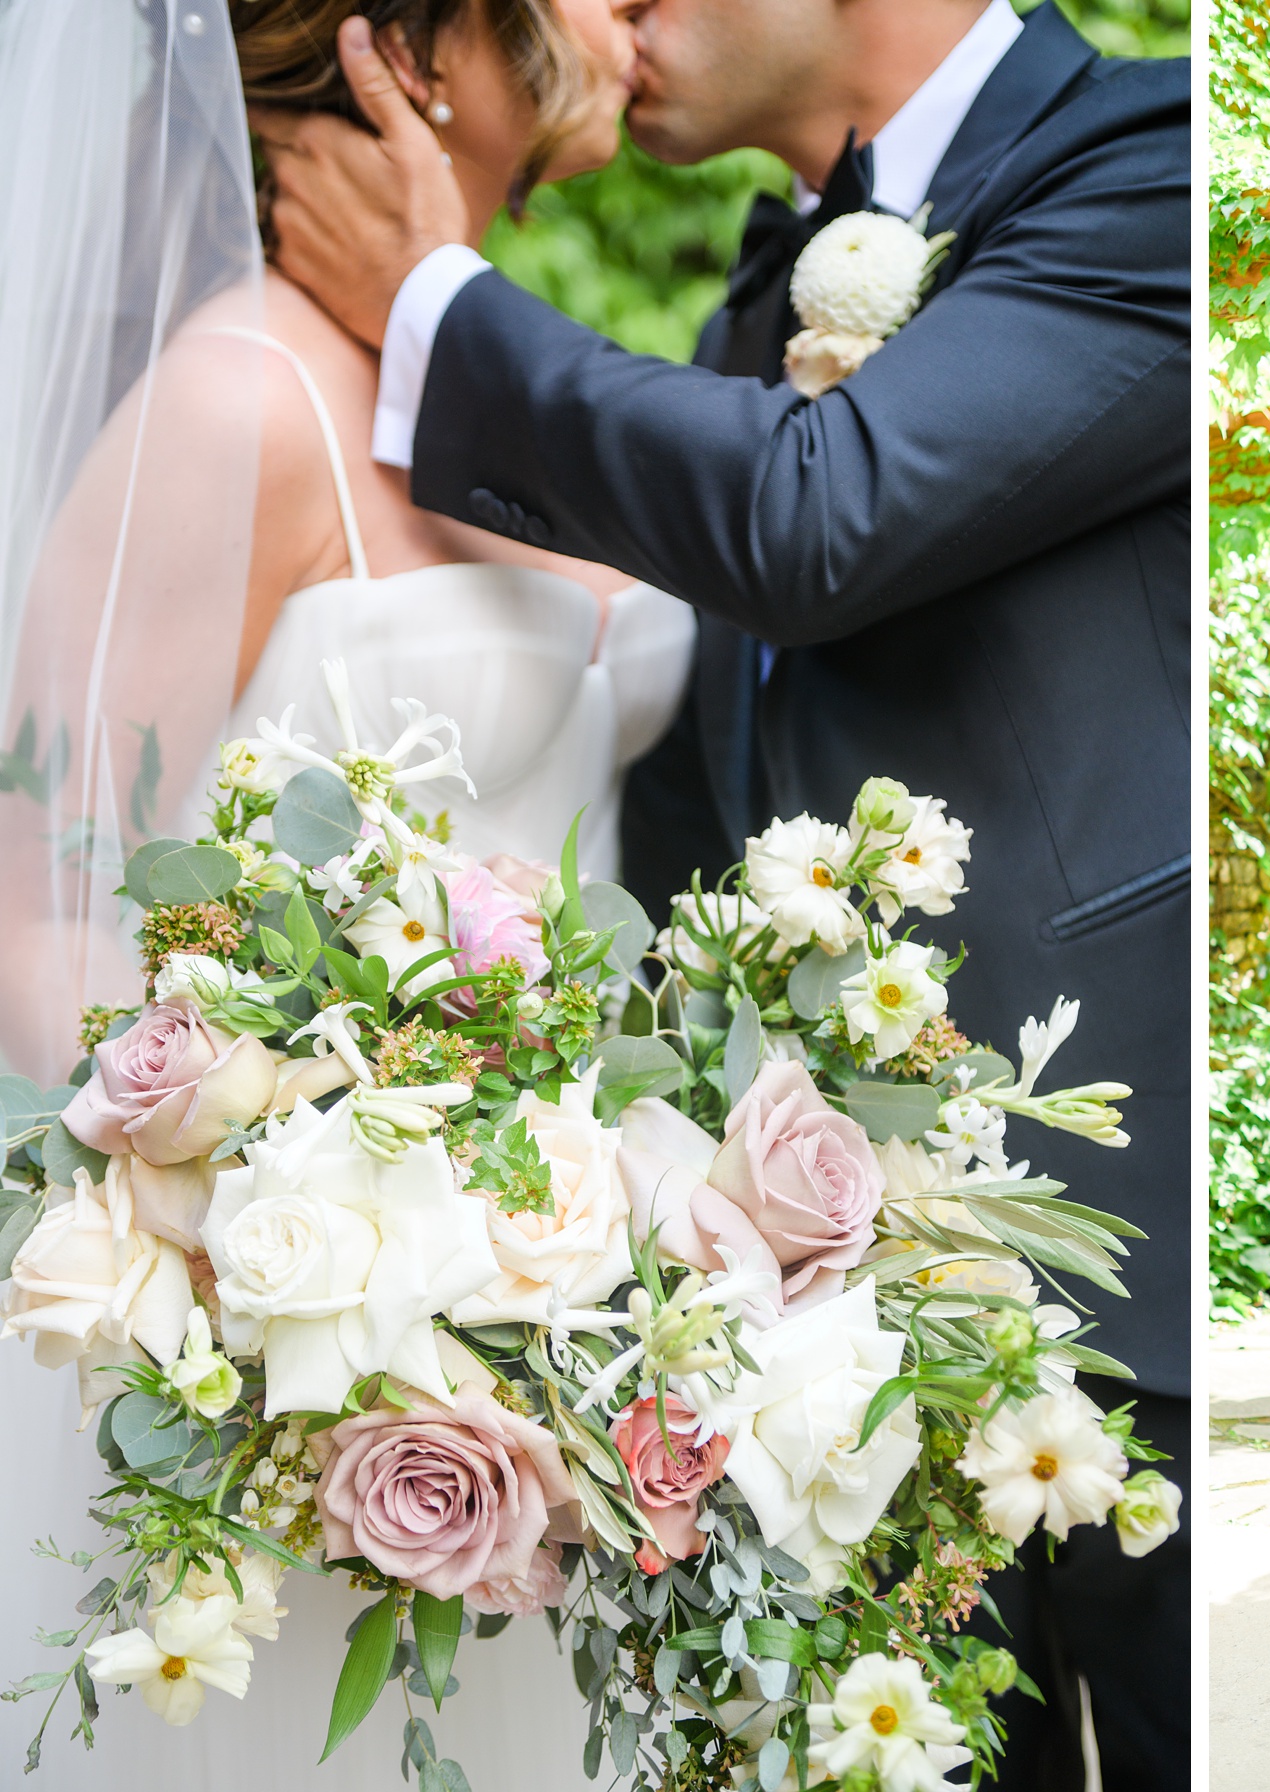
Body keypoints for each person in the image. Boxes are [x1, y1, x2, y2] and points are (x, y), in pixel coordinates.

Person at [252, 3, 1191, 1782]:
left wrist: (439, 298)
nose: (598, 13)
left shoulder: (1154, 155)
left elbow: (820, 514)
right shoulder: (743, 325)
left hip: (1129, 1274)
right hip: (825, 1343)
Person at [0, 0, 687, 1783]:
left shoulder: (491, 364)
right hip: (297, 1361)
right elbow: (50, 885)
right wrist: (292, 1265)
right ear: (436, 46)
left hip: (555, 1341)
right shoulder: (242, 395)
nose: (640, 12)